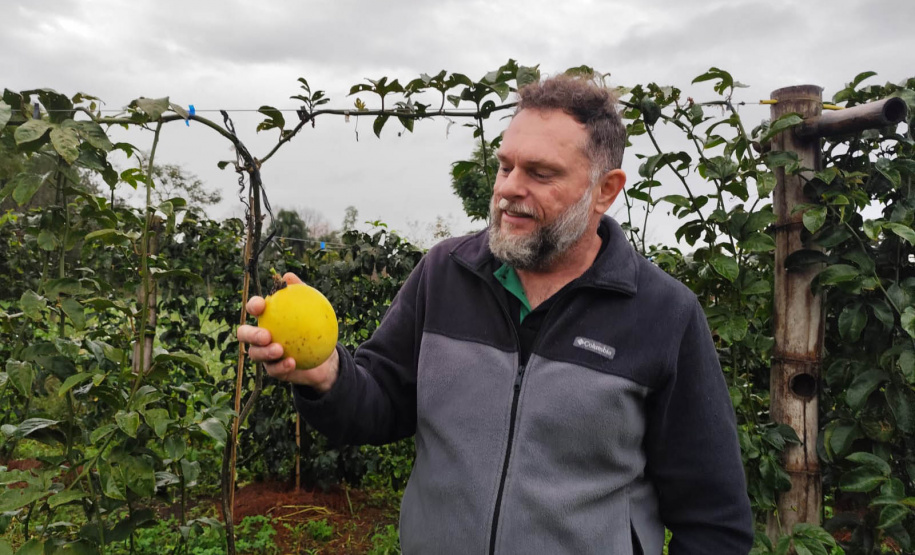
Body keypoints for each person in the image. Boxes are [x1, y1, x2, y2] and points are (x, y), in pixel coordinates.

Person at [237, 75, 754, 554]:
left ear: (605, 190)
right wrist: (327, 375)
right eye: (506, 166)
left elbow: (712, 520)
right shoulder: (446, 273)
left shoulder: (663, 314)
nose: (508, 188)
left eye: (541, 173)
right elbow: (383, 400)